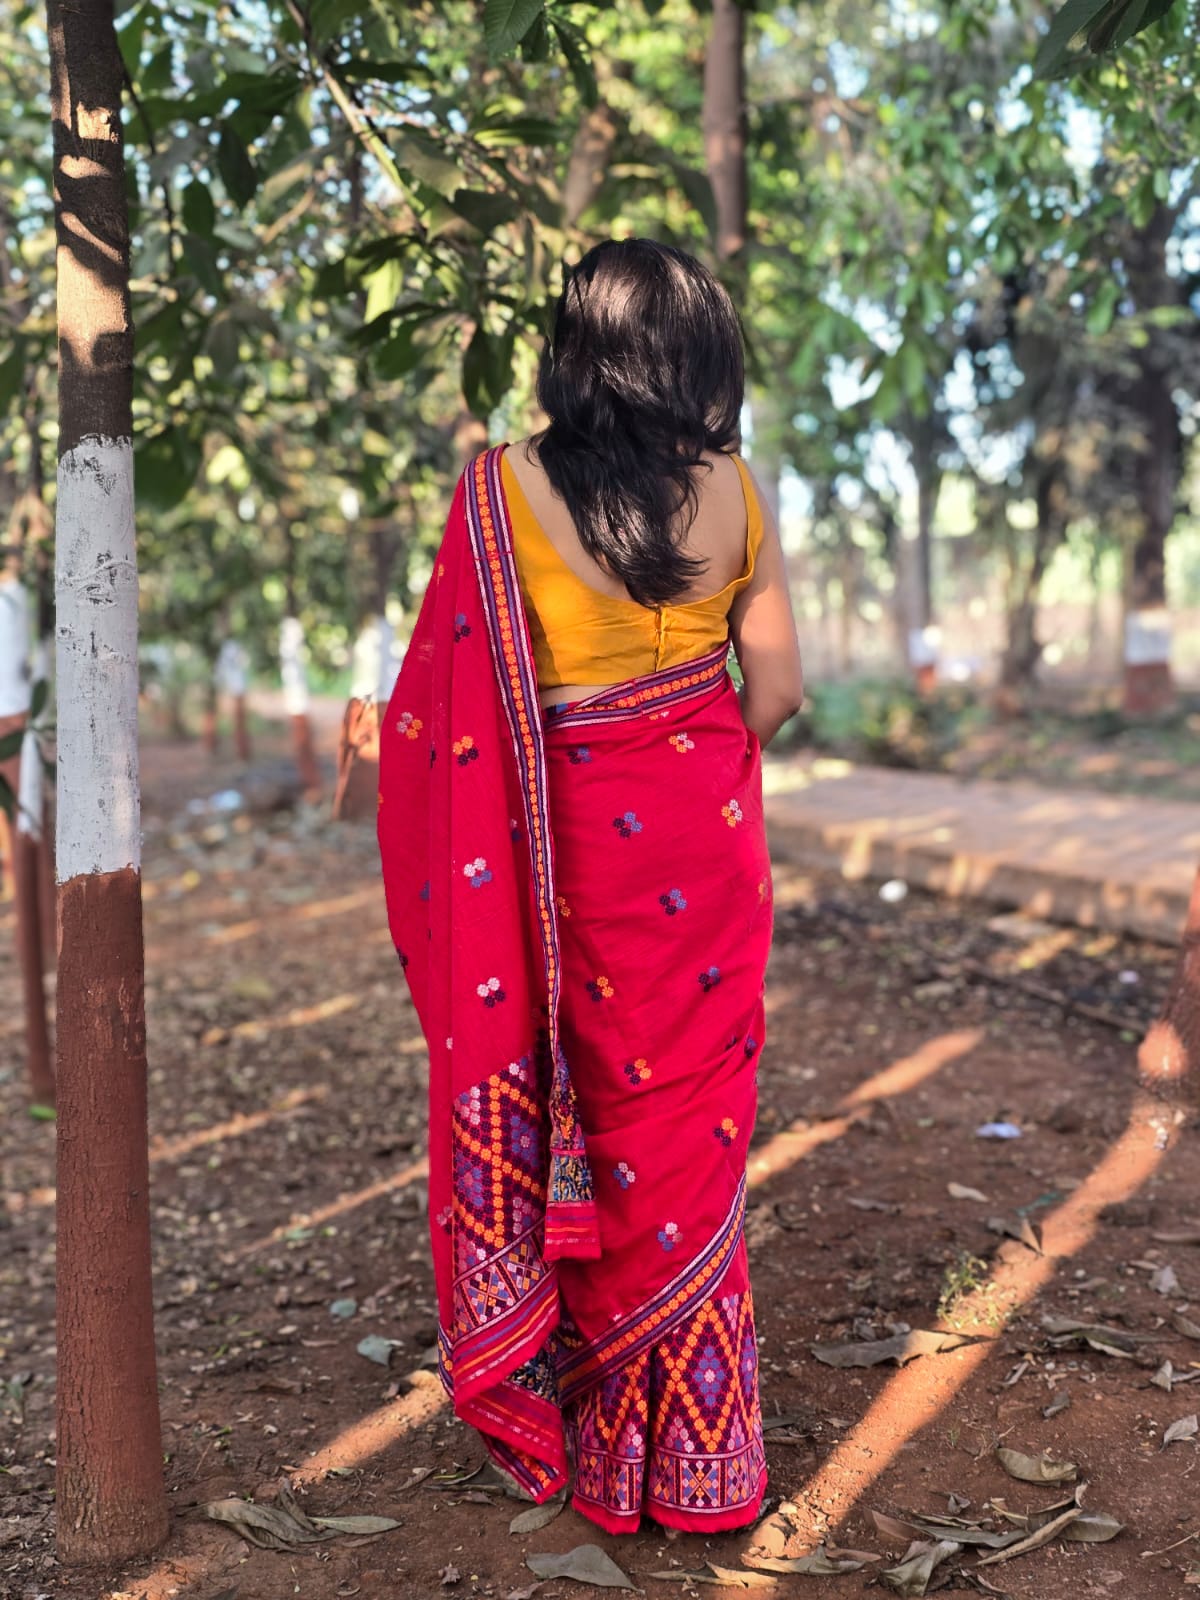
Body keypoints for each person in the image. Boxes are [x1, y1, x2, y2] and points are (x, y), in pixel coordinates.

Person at [377, 237, 804, 1536]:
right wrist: (696, 764)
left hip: (567, 869)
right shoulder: (737, 489)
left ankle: (602, 1443)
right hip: (706, 850)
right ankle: (703, 1464)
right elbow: (777, 690)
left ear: (578, 349)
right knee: (694, 1140)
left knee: (595, 1119)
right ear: (696, 353)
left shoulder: (499, 492)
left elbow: (440, 715)